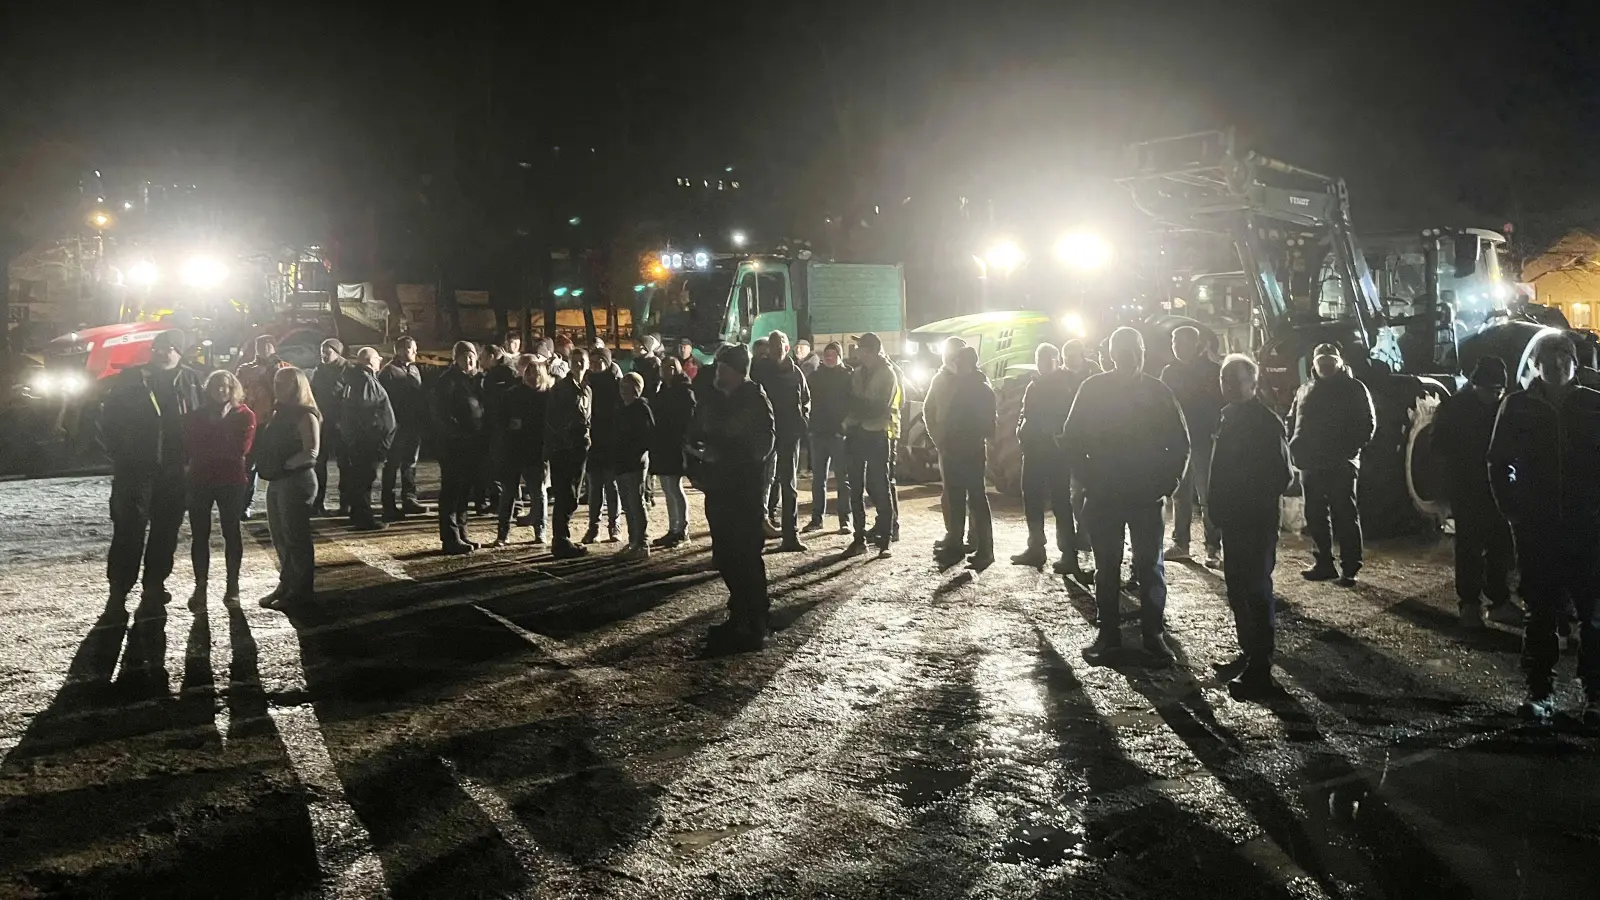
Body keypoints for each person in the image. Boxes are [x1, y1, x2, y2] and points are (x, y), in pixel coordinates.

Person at [1488, 332, 1600, 724]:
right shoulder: (1517, 407)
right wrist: (1513, 510)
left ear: (1576, 361)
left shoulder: (1593, 404)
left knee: (1594, 614)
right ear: (1536, 364)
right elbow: (1497, 462)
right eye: (1549, 356)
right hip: (1538, 527)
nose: (1557, 362)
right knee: (1540, 613)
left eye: (1565, 355)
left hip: (1589, 527)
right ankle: (1540, 693)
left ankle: (1595, 696)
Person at [1063, 326, 1190, 667]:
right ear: (1111, 355)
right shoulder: (1093, 389)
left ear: (1141, 354)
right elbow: (1071, 438)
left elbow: (1179, 444)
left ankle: (1154, 635)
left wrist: (1166, 484)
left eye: (1133, 353)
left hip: (1145, 496)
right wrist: (1088, 479)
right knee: (1107, 567)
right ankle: (1109, 636)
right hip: (1105, 494)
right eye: (1121, 353)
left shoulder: (1158, 392)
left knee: (1149, 566)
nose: (1128, 360)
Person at [1208, 354, 1293, 699]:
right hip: (1233, 521)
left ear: (1253, 384)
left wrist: (1247, 499)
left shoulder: (1265, 423)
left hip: (1254, 523)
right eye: (1225, 380)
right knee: (1237, 589)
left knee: (1255, 592)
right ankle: (1249, 653)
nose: (1228, 386)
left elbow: (1282, 475)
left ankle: (1261, 669)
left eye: (1236, 380)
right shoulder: (1229, 417)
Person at [100, 330, 203, 607]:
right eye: (157, 347)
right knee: (128, 528)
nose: (160, 352)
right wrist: (118, 454)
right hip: (135, 468)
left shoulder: (192, 380)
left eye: (168, 347)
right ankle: (119, 588)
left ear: (179, 352)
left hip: (174, 469)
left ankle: (154, 585)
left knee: (165, 530)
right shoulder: (131, 379)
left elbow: (200, 420)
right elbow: (108, 418)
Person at [690, 344, 776, 652]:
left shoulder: (754, 398)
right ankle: (738, 615)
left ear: (737, 371)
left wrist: (722, 451)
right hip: (720, 489)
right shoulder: (717, 398)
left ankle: (757, 623)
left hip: (743, 492)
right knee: (726, 556)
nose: (717, 373)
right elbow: (703, 431)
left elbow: (760, 447)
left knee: (746, 557)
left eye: (723, 368)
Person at [1432, 355, 1520, 629]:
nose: (1494, 396)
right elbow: (1439, 447)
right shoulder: (1454, 408)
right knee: (1469, 546)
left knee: (1501, 546)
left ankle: (1499, 601)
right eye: (1489, 391)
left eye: (1498, 391)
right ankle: (1469, 604)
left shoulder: (1506, 407)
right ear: (1475, 385)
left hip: (1498, 487)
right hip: (1467, 488)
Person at [1287, 343, 1376, 586]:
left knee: (1344, 514)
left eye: (1330, 361)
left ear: (1339, 362)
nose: (1326, 366)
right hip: (1311, 463)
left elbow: (1367, 424)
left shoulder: (1354, 389)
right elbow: (1293, 418)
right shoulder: (1304, 389)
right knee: (1315, 514)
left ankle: (1350, 567)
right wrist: (1295, 447)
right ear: (1314, 363)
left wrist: (1348, 452)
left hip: (1340, 463)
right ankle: (1323, 563)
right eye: (1322, 361)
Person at [182, 370, 256, 607]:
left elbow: (240, 449)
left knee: (231, 531)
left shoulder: (245, 415)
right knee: (199, 535)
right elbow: (191, 445)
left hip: (230, 480)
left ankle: (232, 586)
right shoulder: (197, 415)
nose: (221, 391)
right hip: (200, 479)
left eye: (225, 386)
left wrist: (211, 440)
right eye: (216, 386)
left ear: (233, 388)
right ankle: (200, 585)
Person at [1012, 342, 1086, 576]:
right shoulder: (1034, 385)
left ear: (1056, 361)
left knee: (1061, 504)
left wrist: (1050, 435)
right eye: (1040, 360)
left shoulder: (1065, 386)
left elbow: (1065, 418)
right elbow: (1026, 413)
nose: (1043, 364)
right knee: (1032, 500)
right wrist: (1021, 430)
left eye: (1048, 360)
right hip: (1033, 452)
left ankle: (1068, 554)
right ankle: (1036, 548)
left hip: (1055, 454)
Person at [255, 368, 322, 609]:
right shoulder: (278, 412)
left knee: (295, 537)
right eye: (277, 381)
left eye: (285, 383)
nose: (279, 386)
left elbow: (311, 451)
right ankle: (286, 584)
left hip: (296, 480)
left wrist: (283, 465)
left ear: (298, 386)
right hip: (278, 480)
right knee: (280, 536)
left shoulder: (305, 414)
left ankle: (301, 589)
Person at [1161, 325, 1224, 567]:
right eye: (1174, 343)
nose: (1177, 347)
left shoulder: (1211, 372)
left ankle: (1212, 548)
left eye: (1181, 343)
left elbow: (1218, 404)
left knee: (1208, 495)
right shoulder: (1170, 372)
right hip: (1178, 442)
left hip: (1203, 440)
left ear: (1194, 344)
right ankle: (1181, 544)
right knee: (1180, 495)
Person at [842, 332, 900, 558]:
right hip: (857, 433)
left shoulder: (887, 374)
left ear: (873, 351)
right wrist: (856, 408)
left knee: (879, 486)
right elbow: (851, 401)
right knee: (855, 487)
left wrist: (855, 408)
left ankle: (885, 540)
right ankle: (859, 538)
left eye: (863, 349)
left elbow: (877, 407)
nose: (859, 353)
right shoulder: (858, 373)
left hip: (876, 434)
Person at [756, 330, 811, 551]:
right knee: (760, 484)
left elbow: (806, 399)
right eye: (773, 344)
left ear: (786, 347)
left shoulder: (795, 372)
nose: (777, 347)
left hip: (789, 434)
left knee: (789, 485)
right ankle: (758, 534)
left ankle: (791, 535)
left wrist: (803, 420)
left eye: (780, 344)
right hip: (765, 434)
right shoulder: (760, 371)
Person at [943, 346, 996, 568]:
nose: (957, 366)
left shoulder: (981, 390)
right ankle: (957, 544)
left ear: (969, 364)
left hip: (970, 451)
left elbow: (987, 427)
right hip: (957, 450)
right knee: (958, 498)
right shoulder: (966, 387)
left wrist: (960, 436)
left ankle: (985, 549)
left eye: (960, 362)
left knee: (975, 499)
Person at [431, 341, 487, 554]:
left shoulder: (475, 380)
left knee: (465, 490)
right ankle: (450, 537)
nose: (469, 360)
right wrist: (456, 434)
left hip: (473, 443)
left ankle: (462, 532)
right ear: (456, 358)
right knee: (451, 491)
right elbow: (440, 414)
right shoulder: (448, 381)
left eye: (471, 355)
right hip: (454, 445)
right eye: (464, 356)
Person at [494, 355, 553, 546]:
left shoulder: (548, 396)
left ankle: (540, 531)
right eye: (529, 373)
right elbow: (500, 420)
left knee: (538, 493)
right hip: (515, 449)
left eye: (536, 373)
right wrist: (509, 425)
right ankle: (503, 533)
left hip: (537, 451)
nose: (532, 377)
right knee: (509, 493)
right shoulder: (512, 394)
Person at [340, 348, 397, 531]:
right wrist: (375, 439)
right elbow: (367, 412)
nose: (380, 362)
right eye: (378, 359)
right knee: (365, 478)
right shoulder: (365, 379)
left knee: (361, 478)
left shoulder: (359, 378)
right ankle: (364, 518)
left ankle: (358, 514)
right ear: (370, 361)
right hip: (368, 442)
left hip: (362, 441)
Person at [545, 347, 593, 558]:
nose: (578, 364)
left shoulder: (587, 389)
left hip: (580, 448)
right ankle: (560, 540)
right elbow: (554, 419)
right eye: (574, 360)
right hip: (565, 449)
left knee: (573, 494)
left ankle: (563, 537)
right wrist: (563, 441)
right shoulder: (561, 389)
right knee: (566, 493)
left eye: (581, 360)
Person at [922, 337, 968, 556]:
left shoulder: (972, 379)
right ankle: (953, 535)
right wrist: (938, 437)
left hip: (969, 444)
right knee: (950, 493)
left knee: (971, 493)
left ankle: (974, 538)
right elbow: (928, 409)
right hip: (947, 445)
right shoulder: (939, 379)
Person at [236, 335, 288, 519]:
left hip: (274, 423)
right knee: (247, 466)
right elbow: (238, 393)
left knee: (277, 465)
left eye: (268, 344)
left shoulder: (284, 368)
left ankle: (279, 504)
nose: (264, 348)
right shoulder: (245, 370)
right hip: (251, 423)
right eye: (260, 345)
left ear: (274, 347)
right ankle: (244, 505)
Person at [804, 341, 854, 534]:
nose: (828, 358)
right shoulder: (816, 377)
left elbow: (851, 404)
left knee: (843, 479)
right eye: (826, 355)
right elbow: (808, 400)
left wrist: (844, 427)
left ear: (839, 356)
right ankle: (817, 519)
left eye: (832, 355)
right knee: (818, 479)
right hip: (819, 433)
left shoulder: (847, 377)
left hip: (838, 435)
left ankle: (845, 519)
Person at [379, 336, 427, 519]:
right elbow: (386, 402)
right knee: (391, 464)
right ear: (399, 350)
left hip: (413, 425)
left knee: (410, 462)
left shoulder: (414, 369)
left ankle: (409, 498)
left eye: (415, 348)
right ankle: (388, 504)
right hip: (396, 426)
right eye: (410, 349)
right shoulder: (388, 372)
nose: (415, 352)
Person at [652, 356, 697, 546]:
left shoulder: (684, 391)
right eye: (664, 367)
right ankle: (673, 527)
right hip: (663, 443)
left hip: (675, 443)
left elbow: (688, 417)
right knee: (668, 488)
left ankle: (682, 528)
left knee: (674, 487)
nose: (667, 370)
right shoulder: (663, 389)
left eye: (671, 367)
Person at [614, 371, 656, 560]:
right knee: (628, 504)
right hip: (621, 461)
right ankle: (633, 540)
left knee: (636, 502)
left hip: (634, 461)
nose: (623, 391)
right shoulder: (621, 408)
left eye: (627, 387)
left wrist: (635, 451)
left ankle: (642, 542)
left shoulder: (641, 408)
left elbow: (647, 436)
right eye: (622, 387)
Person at [584, 346, 623, 543]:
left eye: (599, 361)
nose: (595, 365)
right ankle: (594, 526)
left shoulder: (616, 383)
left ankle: (614, 525)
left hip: (610, 440)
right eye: (593, 361)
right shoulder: (586, 382)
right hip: (592, 440)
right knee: (594, 486)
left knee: (611, 485)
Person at [309, 339, 349, 517]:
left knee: (345, 464)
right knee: (319, 464)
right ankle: (318, 503)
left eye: (327, 352)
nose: (324, 356)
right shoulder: (319, 371)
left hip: (342, 424)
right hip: (323, 422)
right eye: (322, 352)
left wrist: (344, 419)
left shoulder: (348, 370)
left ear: (337, 352)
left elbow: (351, 397)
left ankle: (345, 503)